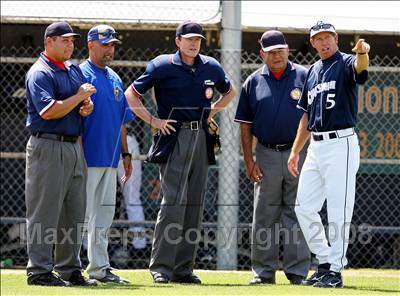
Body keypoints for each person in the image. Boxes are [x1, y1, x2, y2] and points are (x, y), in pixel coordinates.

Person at [125, 21, 236, 284]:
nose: (194, 43)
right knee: (174, 202)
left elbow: (230, 92)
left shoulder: (211, 66)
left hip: (202, 136)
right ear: (178, 41)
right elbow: (132, 95)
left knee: (195, 205)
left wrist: (213, 110)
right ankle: (161, 267)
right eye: (188, 39)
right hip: (173, 135)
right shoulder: (162, 65)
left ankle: (183, 269)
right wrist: (154, 122)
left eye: (197, 39)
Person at [287, 21, 370, 288]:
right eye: (318, 38)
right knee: (304, 207)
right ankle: (324, 262)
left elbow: (360, 69)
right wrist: (295, 151)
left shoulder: (346, 62)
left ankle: (335, 270)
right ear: (312, 43)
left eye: (328, 37)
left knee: (338, 210)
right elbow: (306, 116)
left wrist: (362, 52)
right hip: (316, 146)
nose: (324, 42)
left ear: (336, 39)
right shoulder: (312, 71)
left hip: (341, 143)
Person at [234, 30, 310, 285]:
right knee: (264, 214)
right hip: (265, 152)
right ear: (261, 54)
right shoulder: (253, 82)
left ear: (288, 50)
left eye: (280, 49)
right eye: (271, 51)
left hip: (298, 152)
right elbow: (245, 125)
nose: (277, 55)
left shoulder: (305, 76)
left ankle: (298, 272)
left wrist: (300, 151)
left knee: (297, 212)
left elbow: (313, 117)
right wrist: (249, 160)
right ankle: (263, 273)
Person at [25, 21, 96, 286]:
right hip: (48, 144)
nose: (70, 44)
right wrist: (79, 98)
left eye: (71, 40)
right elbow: (50, 111)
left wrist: (84, 105)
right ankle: (39, 271)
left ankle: (69, 268)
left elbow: (80, 103)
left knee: (74, 211)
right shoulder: (40, 72)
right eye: (64, 40)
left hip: (73, 145)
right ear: (49, 42)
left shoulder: (72, 69)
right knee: (45, 210)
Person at [80, 24, 134, 284]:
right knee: (79, 216)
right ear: (90, 45)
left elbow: (122, 120)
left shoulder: (114, 76)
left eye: (112, 45)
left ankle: (99, 269)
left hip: (110, 159)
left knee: (102, 219)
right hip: (86, 158)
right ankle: (67, 268)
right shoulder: (79, 73)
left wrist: (126, 154)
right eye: (105, 44)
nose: (109, 49)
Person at [117, 129, 147, 249]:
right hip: (102, 140)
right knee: (93, 198)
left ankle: (139, 247)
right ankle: (87, 248)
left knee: (131, 198)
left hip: (126, 140)